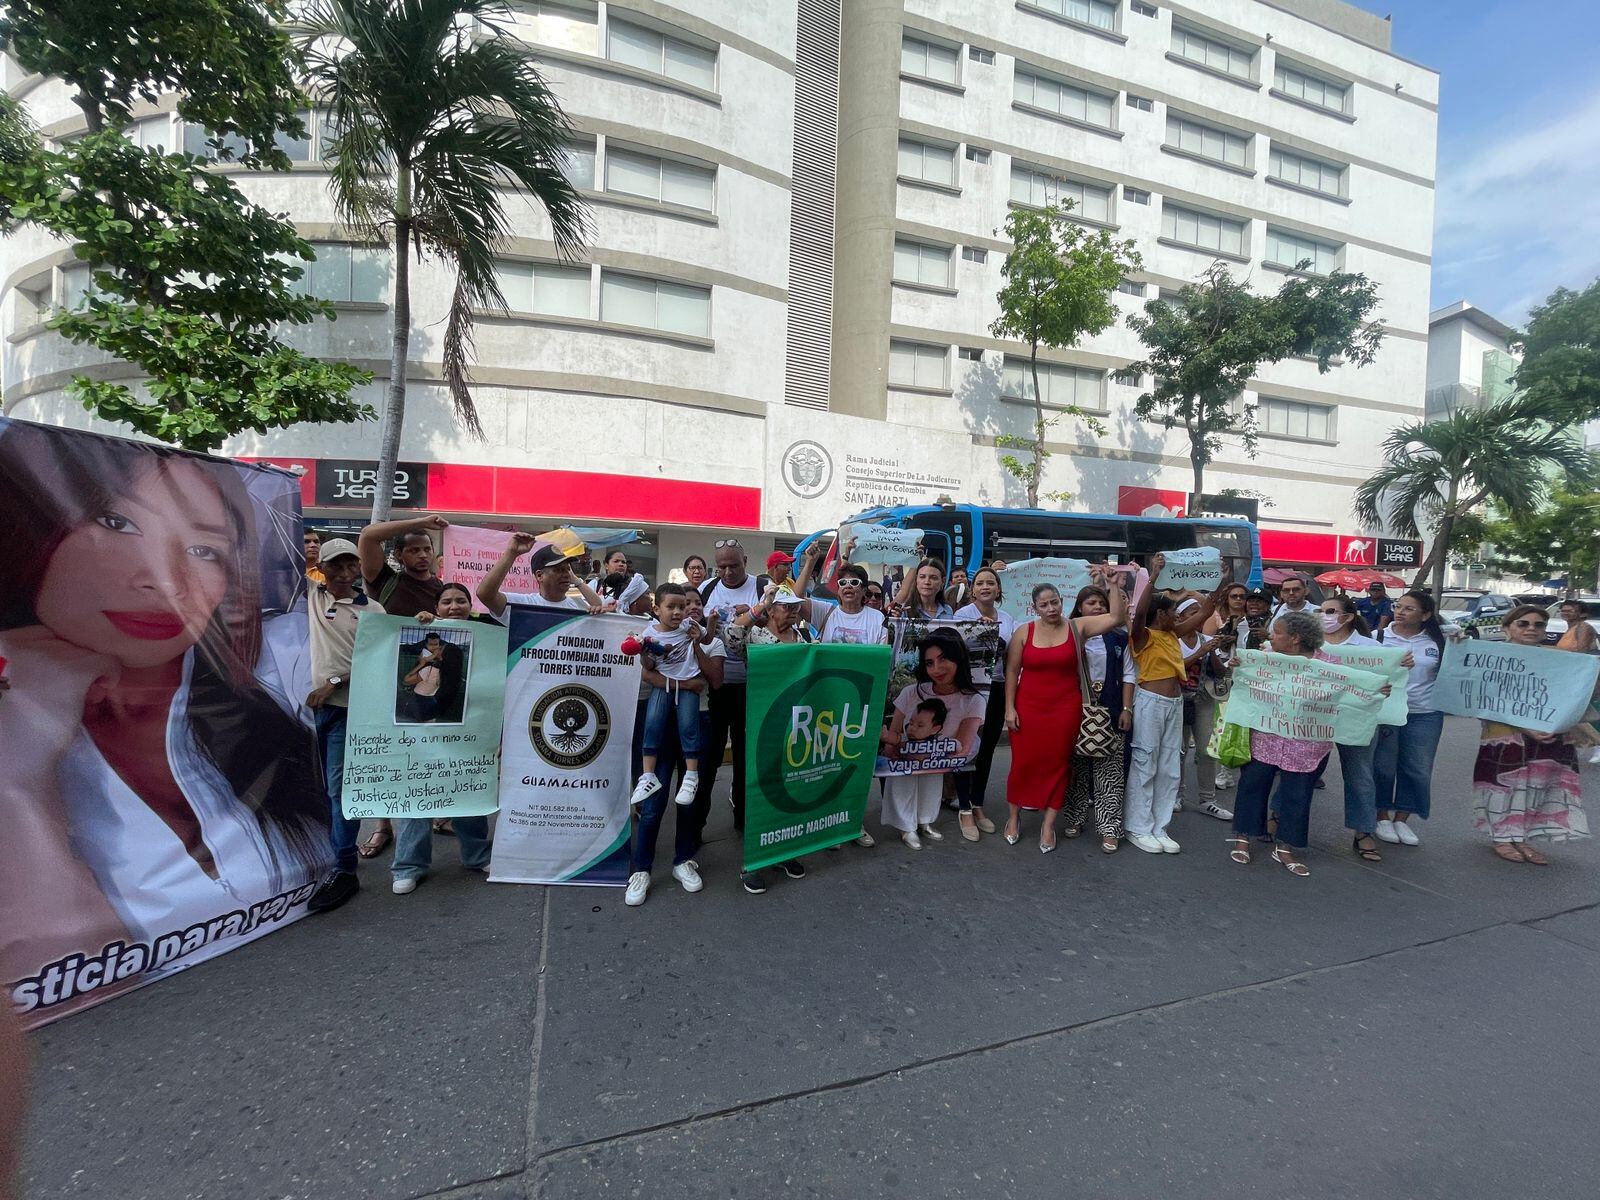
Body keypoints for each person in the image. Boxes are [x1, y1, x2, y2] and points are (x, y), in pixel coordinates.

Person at [0, 431, 330, 995]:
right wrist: (26, 778)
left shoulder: (266, 696)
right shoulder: (21, 736)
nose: (164, 581)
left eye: (205, 551)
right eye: (117, 524)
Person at [1004, 570, 1127, 852]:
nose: (1051, 608)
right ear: (1034, 608)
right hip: (1028, 706)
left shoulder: (1076, 627)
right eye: (1044, 604)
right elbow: (1012, 671)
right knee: (1022, 764)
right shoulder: (1025, 631)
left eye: (1055, 602)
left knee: (1058, 765)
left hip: (1065, 708)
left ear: (1062, 602)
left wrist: (1112, 586)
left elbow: (1116, 618)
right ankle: (1013, 817)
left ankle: (1049, 824)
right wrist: (1009, 708)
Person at [354, 513, 449, 858]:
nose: (422, 555)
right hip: (386, 679)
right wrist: (423, 519)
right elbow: (367, 536)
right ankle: (383, 826)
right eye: (413, 550)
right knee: (387, 754)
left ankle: (437, 815)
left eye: (427, 549)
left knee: (430, 748)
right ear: (399, 555)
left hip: (428, 682)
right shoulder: (383, 580)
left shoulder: (442, 590)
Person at [1226, 610, 1346, 878]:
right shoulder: (1265, 659)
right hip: (1266, 738)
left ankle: (1285, 847)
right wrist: (1240, 667)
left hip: (1307, 744)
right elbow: (1245, 684)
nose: (1271, 636)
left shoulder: (1329, 665)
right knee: (1252, 786)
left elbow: (1351, 692)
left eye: (1277, 632)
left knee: (1298, 794)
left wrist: (1378, 689)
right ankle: (1243, 837)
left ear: (1295, 639)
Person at [391, 584, 492, 893]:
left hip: (467, 723)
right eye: (446, 601)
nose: (454, 606)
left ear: (470, 605)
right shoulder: (425, 635)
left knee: (469, 788)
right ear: (436, 607)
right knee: (417, 788)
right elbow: (398, 647)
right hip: (420, 723)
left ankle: (477, 855)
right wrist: (419, 623)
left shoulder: (484, 633)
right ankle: (408, 865)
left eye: (461, 600)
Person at [1125, 557, 1229, 854]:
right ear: (1162, 614)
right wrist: (1153, 577)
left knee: (1169, 767)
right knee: (1146, 764)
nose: (1180, 617)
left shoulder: (1173, 633)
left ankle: (1160, 826)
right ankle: (1138, 827)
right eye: (1174, 611)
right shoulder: (1143, 636)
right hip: (1150, 703)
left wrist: (1220, 581)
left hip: (1174, 704)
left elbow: (1207, 609)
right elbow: (1142, 612)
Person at [627, 590, 724, 904]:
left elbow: (714, 680)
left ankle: (683, 861)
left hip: (699, 722)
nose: (686, 610)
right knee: (654, 803)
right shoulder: (656, 634)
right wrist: (684, 684)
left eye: (692, 604)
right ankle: (641, 869)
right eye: (681, 605)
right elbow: (648, 673)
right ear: (661, 609)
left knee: (689, 800)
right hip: (664, 722)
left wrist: (696, 643)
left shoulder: (709, 639)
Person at [1474, 605, 1590, 863]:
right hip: (1504, 733)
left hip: (1549, 734)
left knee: (1535, 788)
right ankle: (1502, 839)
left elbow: (1570, 696)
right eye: (1523, 624)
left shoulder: (1556, 658)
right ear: (1507, 628)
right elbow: (1482, 699)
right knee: (1504, 785)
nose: (1531, 629)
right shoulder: (1492, 656)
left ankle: (1521, 838)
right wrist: (1527, 727)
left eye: (1539, 625)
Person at [725, 584, 814, 891]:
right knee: (761, 789)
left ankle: (784, 851)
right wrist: (759, 606)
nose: (792, 611)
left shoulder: (805, 637)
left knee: (791, 787)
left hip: (796, 724)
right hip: (763, 722)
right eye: (786, 606)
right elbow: (730, 638)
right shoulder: (756, 635)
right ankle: (753, 861)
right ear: (773, 609)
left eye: (795, 607)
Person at [690, 540, 771, 848]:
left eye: (733, 565)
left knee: (745, 757)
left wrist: (759, 617)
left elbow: (780, 624)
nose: (727, 571)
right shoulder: (708, 588)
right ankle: (695, 828)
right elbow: (692, 628)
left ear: (745, 561)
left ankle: (744, 821)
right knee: (708, 760)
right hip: (716, 685)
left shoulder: (763, 587)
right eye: (721, 566)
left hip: (754, 686)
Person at [883, 628, 985, 849]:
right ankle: (905, 826)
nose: (936, 669)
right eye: (929, 663)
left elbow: (963, 748)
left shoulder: (972, 700)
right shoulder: (912, 692)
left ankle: (925, 821)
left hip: (936, 761)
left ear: (958, 657)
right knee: (903, 781)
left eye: (943, 659)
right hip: (908, 760)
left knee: (931, 782)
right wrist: (895, 745)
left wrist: (922, 750)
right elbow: (894, 734)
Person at [629, 583, 715, 814]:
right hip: (662, 686)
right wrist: (645, 653)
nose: (678, 612)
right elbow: (648, 667)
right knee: (652, 726)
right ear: (657, 609)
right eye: (671, 607)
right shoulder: (649, 634)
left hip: (687, 687)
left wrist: (705, 631)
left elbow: (709, 640)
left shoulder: (690, 626)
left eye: (682, 606)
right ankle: (647, 776)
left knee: (689, 728)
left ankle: (691, 775)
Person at [1319, 595, 1392, 863]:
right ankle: (1280, 819)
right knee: (1300, 770)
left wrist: (1397, 671)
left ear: (1348, 617)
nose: (1323, 615)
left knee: (1361, 774)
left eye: (1330, 611)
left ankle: (1363, 831)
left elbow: (1389, 679)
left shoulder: (1371, 648)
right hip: (1315, 718)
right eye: (1321, 611)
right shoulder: (1310, 643)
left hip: (1357, 719)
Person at [1063, 584, 1135, 853]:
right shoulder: (1068, 635)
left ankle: (1109, 827)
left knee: (1110, 771)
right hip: (1073, 710)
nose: (1098, 608)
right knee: (1076, 770)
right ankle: (1074, 817)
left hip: (1111, 710)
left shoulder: (1118, 638)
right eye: (1091, 603)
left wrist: (1127, 709)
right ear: (1080, 607)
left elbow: (1129, 674)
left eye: (1102, 604)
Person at [1372, 590, 1446, 847]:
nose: (1400, 611)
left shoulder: (1438, 641)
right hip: (1388, 712)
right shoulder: (1378, 637)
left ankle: (1403, 818)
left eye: (1409, 608)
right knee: (1383, 766)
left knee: (1418, 767)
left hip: (1425, 713)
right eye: (1398, 606)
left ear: (1425, 615)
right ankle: (1381, 815)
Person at [951, 567, 1012, 841]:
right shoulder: (962, 616)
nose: (985, 587)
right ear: (972, 589)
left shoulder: (1010, 619)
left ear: (998, 589)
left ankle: (978, 804)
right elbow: (957, 652)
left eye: (991, 582)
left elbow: (1011, 660)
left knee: (987, 748)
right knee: (968, 748)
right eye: (980, 583)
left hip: (997, 688)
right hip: (971, 689)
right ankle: (963, 808)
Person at [1176, 603, 1233, 822]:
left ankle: (1208, 800)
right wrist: (1200, 653)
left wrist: (1213, 653)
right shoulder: (1173, 639)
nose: (1199, 618)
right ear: (1181, 616)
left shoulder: (1207, 640)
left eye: (1201, 614)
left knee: (1207, 750)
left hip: (1203, 700)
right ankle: (1176, 795)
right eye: (1193, 613)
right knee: (1178, 751)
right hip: (1178, 700)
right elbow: (1173, 668)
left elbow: (1221, 672)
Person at [477, 534, 605, 617]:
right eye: (559, 570)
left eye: (567, 569)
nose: (566, 574)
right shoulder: (523, 605)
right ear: (539, 576)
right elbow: (485, 594)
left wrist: (576, 580)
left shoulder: (578, 606)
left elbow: (599, 605)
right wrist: (511, 553)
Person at [1203, 583, 1250, 789]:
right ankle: (1220, 767)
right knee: (1219, 723)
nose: (1238, 600)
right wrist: (1222, 639)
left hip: (1246, 677)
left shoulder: (1254, 620)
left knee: (1239, 725)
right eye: (1234, 596)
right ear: (1227, 598)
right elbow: (1206, 645)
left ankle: (1232, 769)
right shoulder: (1216, 618)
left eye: (1242, 596)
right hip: (1221, 676)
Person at [402, 632, 445, 722]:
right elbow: (426, 660)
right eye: (431, 644)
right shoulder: (425, 653)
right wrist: (434, 655)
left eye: (436, 644)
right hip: (419, 686)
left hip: (427, 695)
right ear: (426, 645)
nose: (434, 647)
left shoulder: (438, 658)